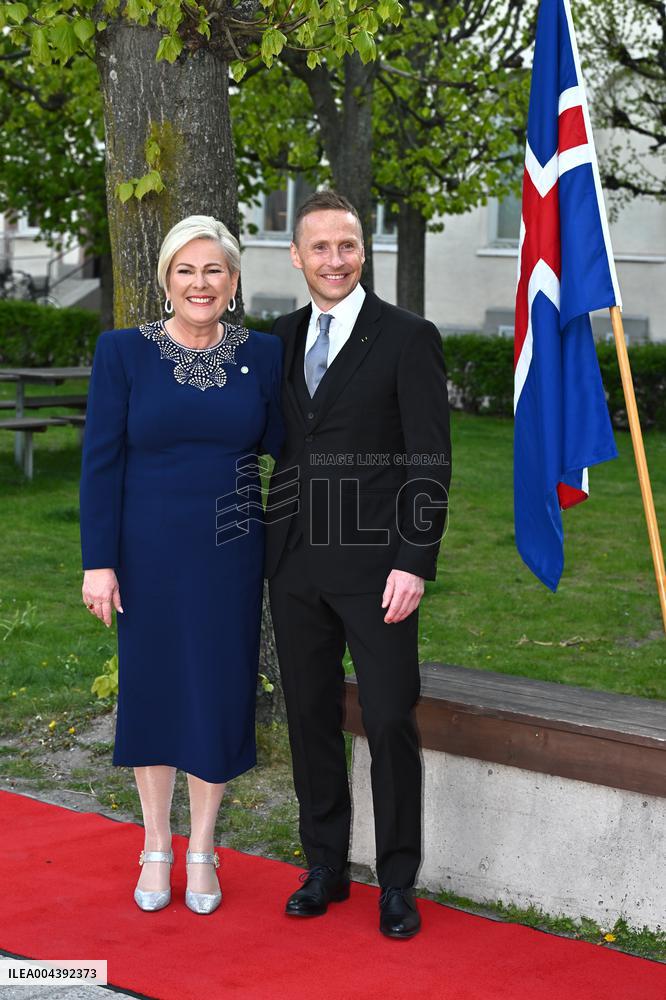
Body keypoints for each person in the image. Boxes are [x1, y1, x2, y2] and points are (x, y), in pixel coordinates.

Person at [79, 215, 283, 915]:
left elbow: (291, 447)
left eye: (214, 270)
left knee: (217, 692)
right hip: (146, 556)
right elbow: (100, 463)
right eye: (186, 271)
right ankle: (155, 844)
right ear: (165, 281)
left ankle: (202, 847)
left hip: (230, 553)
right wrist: (98, 563)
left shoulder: (264, 354)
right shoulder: (123, 353)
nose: (201, 283)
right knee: (156, 691)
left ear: (234, 281)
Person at [266, 190, 451, 938]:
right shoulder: (277, 340)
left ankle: (397, 879)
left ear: (363, 251)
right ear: (297, 256)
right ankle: (325, 865)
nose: (334, 260)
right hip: (294, 563)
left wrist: (415, 560)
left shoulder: (408, 337)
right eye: (320, 247)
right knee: (308, 714)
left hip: (380, 570)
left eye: (346, 245)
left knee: (388, 717)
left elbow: (430, 458)